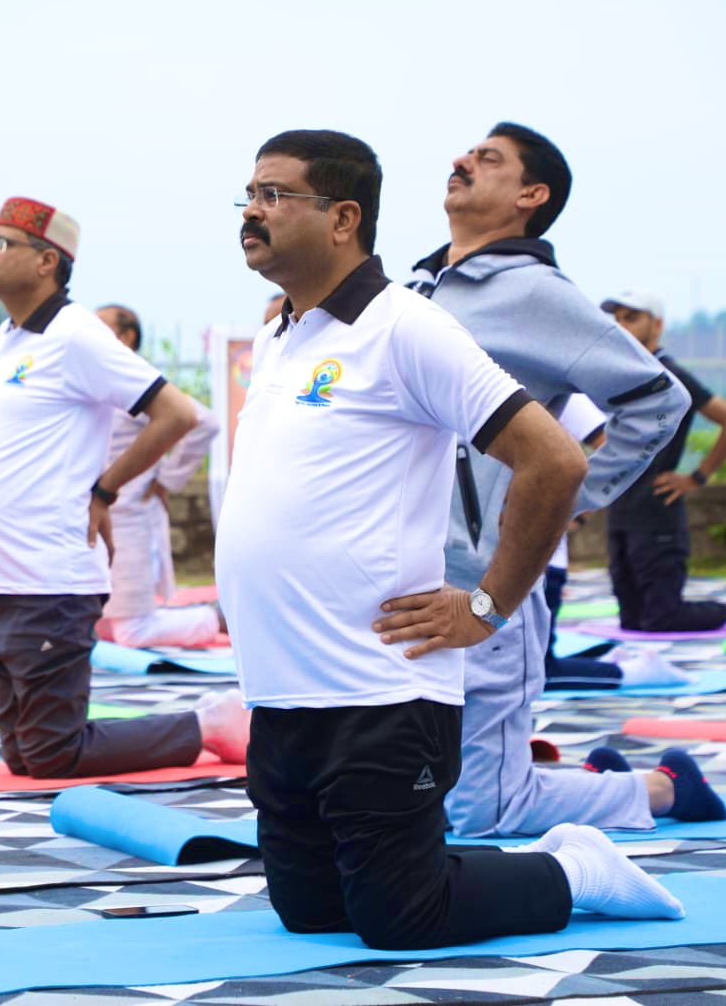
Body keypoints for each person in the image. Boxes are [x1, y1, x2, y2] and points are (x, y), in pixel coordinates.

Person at [219, 128, 684, 951]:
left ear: (342, 218)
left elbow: (554, 458)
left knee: (406, 919)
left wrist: (489, 604)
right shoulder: (281, 337)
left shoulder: (405, 325)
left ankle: (575, 866)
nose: (252, 212)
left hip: (379, 688)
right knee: (313, 912)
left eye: (275, 196)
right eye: (248, 196)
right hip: (283, 692)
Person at [405, 123, 725, 838]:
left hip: (487, 585)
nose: (460, 161)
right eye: (464, 153)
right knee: (410, 784)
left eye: (487, 159)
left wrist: (558, 503)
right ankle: (582, 779)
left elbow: (656, 401)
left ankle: (663, 787)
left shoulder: (534, 293)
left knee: (481, 813)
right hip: (402, 577)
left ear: (531, 195)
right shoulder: (417, 288)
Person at [0, 196, 247, 778]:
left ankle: (205, 724)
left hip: (49, 575)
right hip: (1, 575)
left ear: (46, 261)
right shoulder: (9, 341)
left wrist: (106, 490)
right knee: (23, 757)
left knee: (51, 754)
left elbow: (177, 413)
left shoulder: (74, 334)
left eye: (2, 244)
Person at [602, 291, 726, 631]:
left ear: (657, 325)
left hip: (658, 513)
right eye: (617, 318)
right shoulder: (623, 374)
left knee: (662, 619)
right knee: (632, 623)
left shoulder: (670, 375)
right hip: (621, 512)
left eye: (631, 318)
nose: (621, 326)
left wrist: (697, 477)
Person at [93, 303, 222, 647]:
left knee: (131, 631)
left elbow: (203, 423)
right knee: (98, 624)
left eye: (101, 328)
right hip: (92, 514)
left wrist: (166, 479)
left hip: (129, 515)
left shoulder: (137, 378)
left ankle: (217, 618)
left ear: (127, 336)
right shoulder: (95, 378)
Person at [542, 393, 688, 690]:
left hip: (538, 561)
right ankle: (616, 662)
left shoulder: (554, 391)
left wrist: (577, 507)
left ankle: (636, 672)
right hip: (481, 560)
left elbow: (616, 449)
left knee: (535, 673)